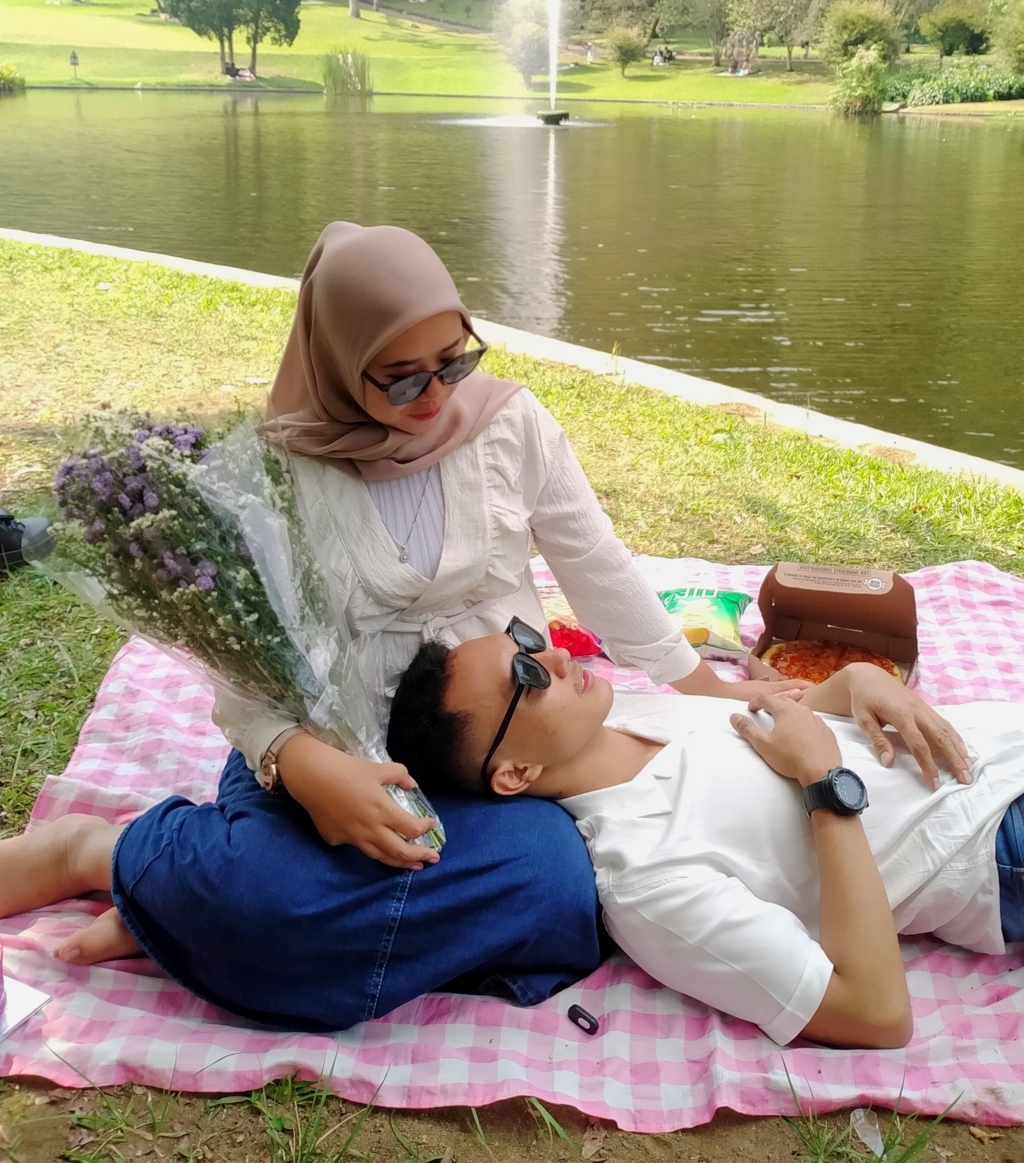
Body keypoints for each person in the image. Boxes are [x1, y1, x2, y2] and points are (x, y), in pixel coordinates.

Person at [0, 223, 809, 1033]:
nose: (435, 395)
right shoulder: (277, 469)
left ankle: (178, 906)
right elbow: (240, 658)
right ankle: (98, 854)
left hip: (485, 760)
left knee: (556, 883)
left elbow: (598, 568)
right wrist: (305, 765)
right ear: (337, 360)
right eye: (400, 378)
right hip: (322, 751)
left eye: (454, 362)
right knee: (277, 897)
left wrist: (701, 688)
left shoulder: (510, 425)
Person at [384, 628, 1024, 1050]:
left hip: (993, 738)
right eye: (528, 676)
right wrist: (825, 783)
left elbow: (784, 724)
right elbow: (876, 1014)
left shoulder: (627, 711)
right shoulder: (648, 882)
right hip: (993, 842)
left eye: (527, 638)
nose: (554, 656)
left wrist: (856, 681)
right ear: (516, 772)